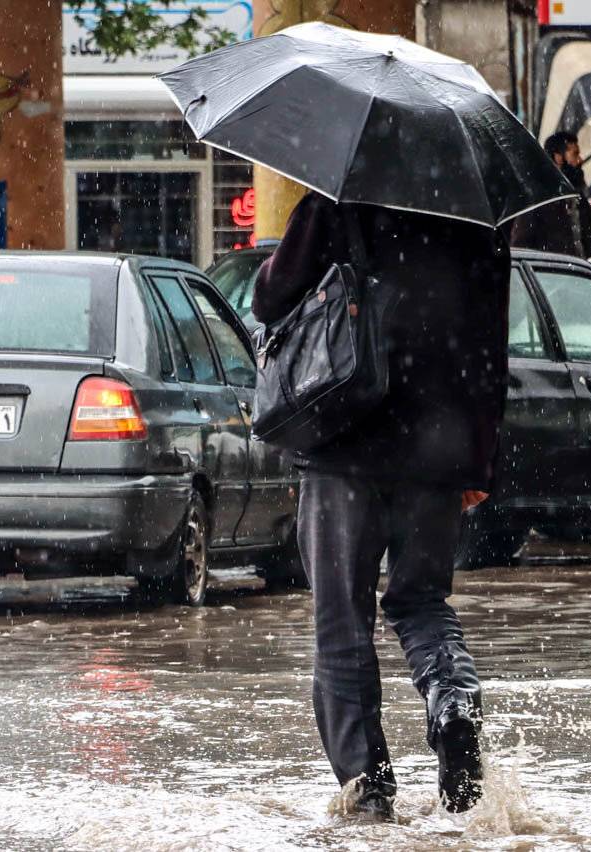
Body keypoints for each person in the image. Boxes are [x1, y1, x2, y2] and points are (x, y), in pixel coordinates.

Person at [252, 191, 510, 818]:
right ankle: (451, 701)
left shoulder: (334, 200)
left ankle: (368, 797)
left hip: (343, 442)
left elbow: (270, 300)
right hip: (437, 449)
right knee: (423, 600)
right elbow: (491, 346)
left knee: (342, 623)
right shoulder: (477, 214)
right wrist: (477, 459)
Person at [510, 131, 591, 258]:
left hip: (580, 274)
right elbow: (521, 246)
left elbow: (589, 245)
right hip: (551, 274)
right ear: (558, 157)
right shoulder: (539, 199)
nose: (580, 160)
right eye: (575, 154)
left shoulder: (579, 200)